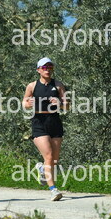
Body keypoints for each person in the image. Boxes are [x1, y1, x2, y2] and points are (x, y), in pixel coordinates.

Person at [22, 57, 69, 201]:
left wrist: (60, 103)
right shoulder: (32, 86)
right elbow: (24, 102)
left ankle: (42, 169)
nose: (47, 70)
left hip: (54, 121)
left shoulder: (58, 85)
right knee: (48, 155)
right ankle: (53, 190)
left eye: (50, 67)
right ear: (38, 70)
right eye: (44, 67)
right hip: (39, 122)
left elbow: (67, 106)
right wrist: (28, 104)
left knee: (54, 159)